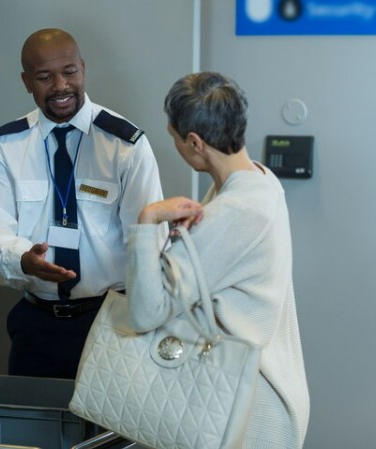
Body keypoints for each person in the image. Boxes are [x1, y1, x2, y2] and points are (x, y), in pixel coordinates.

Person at [127, 72, 310, 449]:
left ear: (194, 142)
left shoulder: (235, 210)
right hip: (259, 392)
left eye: (174, 137)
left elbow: (147, 312)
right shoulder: (259, 180)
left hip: (247, 410)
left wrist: (147, 220)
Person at [0, 28, 165, 379]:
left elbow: (147, 239)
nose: (61, 86)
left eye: (69, 72)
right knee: (31, 431)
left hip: (110, 322)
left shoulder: (124, 144)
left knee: (107, 434)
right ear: (26, 81)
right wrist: (25, 260)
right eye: (45, 77)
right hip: (36, 324)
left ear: (83, 68)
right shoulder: (6, 146)